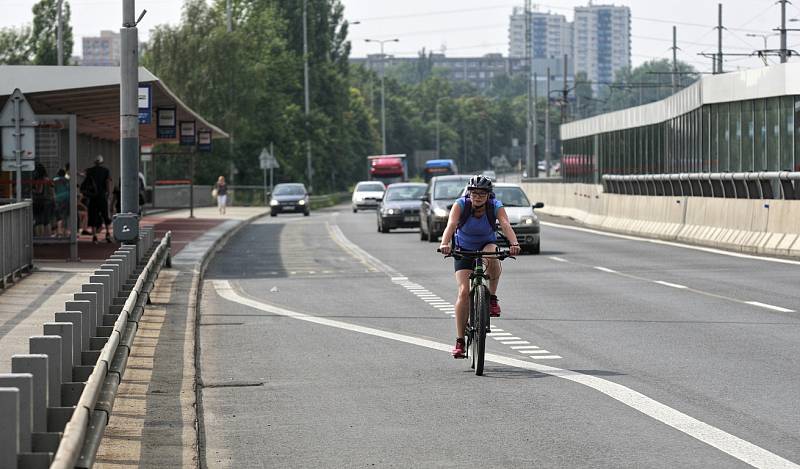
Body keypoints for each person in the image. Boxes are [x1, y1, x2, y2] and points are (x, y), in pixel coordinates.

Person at [438, 175, 521, 359]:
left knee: (493, 254)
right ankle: (460, 341)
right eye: (475, 193)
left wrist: (514, 243)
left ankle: (491, 297)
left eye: (482, 193)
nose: (478, 197)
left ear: (488, 195)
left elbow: (505, 224)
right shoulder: (461, 205)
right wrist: (445, 243)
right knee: (463, 292)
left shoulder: (495, 206)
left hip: (486, 245)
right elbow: (451, 225)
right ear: (469, 193)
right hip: (463, 249)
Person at [82, 155, 113, 243]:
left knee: (93, 215)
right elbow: (107, 182)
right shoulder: (105, 171)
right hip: (102, 196)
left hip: (92, 197)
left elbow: (85, 180)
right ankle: (107, 233)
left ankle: (94, 236)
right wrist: (108, 193)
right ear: (102, 162)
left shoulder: (90, 171)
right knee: (105, 215)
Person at [31, 163, 55, 237]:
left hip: (40, 202)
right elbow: (53, 190)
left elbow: (39, 191)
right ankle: (48, 238)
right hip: (49, 201)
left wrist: (31, 190)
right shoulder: (47, 179)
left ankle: (40, 238)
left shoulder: (39, 179)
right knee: (47, 222)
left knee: (39, 221)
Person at [52, 168, 70, 236]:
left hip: (58, 199)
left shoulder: (55, 180)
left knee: (58, 216)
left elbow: (53, 188)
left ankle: (59, 231)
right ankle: (65, 231)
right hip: (66, 198)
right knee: (65, 216)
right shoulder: (67, 180)